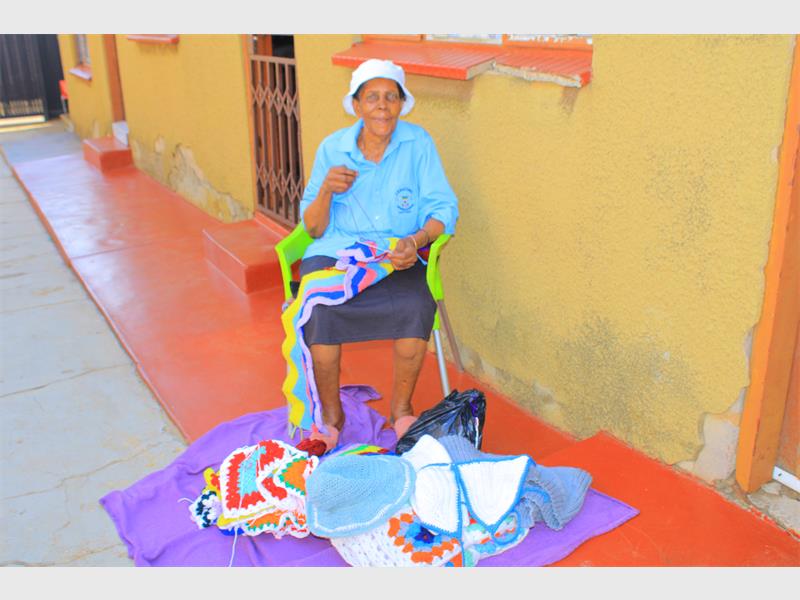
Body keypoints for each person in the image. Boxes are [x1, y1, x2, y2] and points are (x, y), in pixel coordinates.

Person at [298, 59, 459, 450]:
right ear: (356, 105)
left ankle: (401, 409)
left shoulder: (417, 144)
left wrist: (417, 240)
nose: (382, 105)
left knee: (415, 307)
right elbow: (313, 228)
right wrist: (325, 192)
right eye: (372, 97)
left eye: (391, 96)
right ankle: (332, 415)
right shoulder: (332, 149)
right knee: (319, 313)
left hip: (395, 253)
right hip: (336, 251)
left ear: (403, 104)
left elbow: (444, 208)